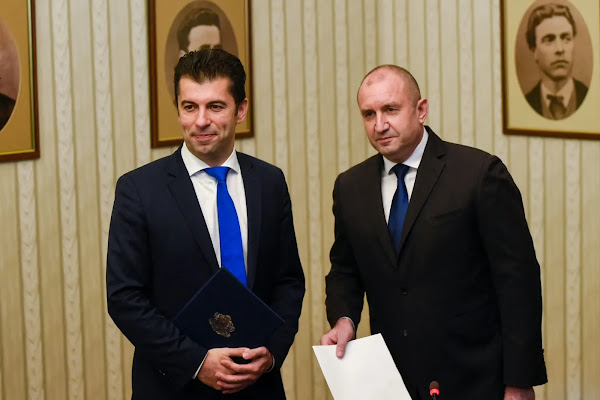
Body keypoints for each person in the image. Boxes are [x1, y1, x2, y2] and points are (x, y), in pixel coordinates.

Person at [320, 65, 547, 399]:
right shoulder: (350, 186)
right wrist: (344, 319)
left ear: (421, 110)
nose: (379, 125)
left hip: (475, 377)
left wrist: (519, 379)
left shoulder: (478, 174)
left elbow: (517, 281)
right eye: (369, 114)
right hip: (391, 377)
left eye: (391, 110)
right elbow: (345, 269)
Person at [107, 49, 305, 399]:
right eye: (189, 107)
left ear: (241, 110)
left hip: (259, 385)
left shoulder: (269, 182)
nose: (200, 121)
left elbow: (288, 280)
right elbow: (125, 298)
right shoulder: (138, 190)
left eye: (215, 106)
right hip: (175, 387)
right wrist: (197, 362)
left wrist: (272, 352)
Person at [524, 3, 587, 120]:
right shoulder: (525, 103)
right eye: (549, 40)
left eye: (566, 38)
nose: (560, 49)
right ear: (534, 51)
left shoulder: (591, 97)